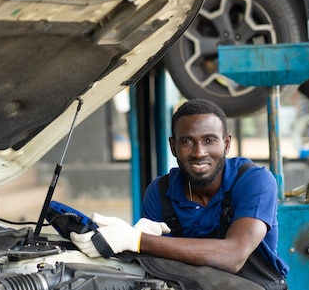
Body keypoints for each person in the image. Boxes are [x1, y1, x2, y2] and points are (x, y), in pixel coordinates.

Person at [71, 98, 289, 290]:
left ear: (227, 143)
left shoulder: (254, 181)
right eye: (187, 141)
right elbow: (157, 269)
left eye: (209, 140)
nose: (199, 152)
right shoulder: (160, 192)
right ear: (173, 147)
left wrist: (137, 240)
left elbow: (233, 256)